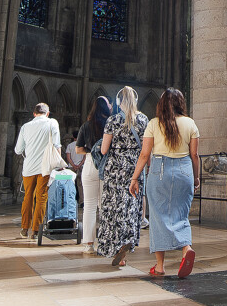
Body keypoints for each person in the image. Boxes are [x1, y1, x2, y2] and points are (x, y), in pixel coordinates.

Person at [130, 88, 200, 278]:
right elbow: (194, 155)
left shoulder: (153, 124)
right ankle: (186, 248)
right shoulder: (190, 123)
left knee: (158, 216)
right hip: (184, 170)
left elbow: (145, 154)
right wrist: (196, 177)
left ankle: (160, 266)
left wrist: (135, 178)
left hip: (160, 171)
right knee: (181, 214)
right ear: (181, 103)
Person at [94, 87, 146, 267]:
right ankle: (127, 240)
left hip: (115, 168)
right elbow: (146, 149)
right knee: (130, 207)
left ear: (118, 102)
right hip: (135, 168)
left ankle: (115, 247)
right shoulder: (142, 119)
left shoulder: (113, 120)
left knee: (113, 209)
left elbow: (104, 149)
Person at [15, 103, 61, 240]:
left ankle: (24, 228)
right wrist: (59, 164)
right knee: (41, 197)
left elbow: (18, 150)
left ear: (34, 114)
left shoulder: (25, 127)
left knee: (28, 196)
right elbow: (57, 145)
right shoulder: (52, 123)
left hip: (29, 168)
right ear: (47, 113)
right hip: (44, 167)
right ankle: (36, 231)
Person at [75, 95, 115, 247]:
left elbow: (78, 149)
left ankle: (88, 244)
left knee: (89, 206)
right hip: (107, 165)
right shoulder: (110, 125)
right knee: (104, 205)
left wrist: (91, 150)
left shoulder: (86, 125)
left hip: (90, 165)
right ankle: (105, 242)